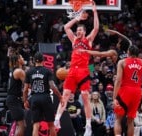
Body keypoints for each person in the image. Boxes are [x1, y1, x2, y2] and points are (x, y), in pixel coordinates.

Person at [54, 1, 99, 136]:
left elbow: (96, 28)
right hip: (73, 70)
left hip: (84, 71)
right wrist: (77, 18)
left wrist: (95, 12)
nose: (78, 31)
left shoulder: (88, 40)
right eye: (78, 30)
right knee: (65, 95)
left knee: (85, 97)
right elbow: (67, 27)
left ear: (85, 32)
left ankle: (89, 125)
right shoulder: (73, 40)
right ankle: (57, 119)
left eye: (80, 30)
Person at [113, 45, 142, 136]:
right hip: (137, 91)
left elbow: (118, 80)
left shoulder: (122, 62)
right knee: (130, 120)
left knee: (118, 118)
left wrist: (114, 97)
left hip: (125, 90)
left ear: (128, 52)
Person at [23, 52, 63, 136]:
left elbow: (25, 89)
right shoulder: (47, 71)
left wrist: (25, 100)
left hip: (34, 98)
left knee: (36, 125)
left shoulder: (29, 72)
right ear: (43, 60)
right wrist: (60, 97)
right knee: (51, 125)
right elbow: (52, 86)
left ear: (34, 61)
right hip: (45, 97)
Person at [6, 52, 26, 136]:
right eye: (22, 58)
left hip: (14, 99)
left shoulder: (16, 70)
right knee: (22, 126)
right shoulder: (19, 71)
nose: (23, 59)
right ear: (18, 60)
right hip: (14, 99)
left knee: (22, 125)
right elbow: (28, 85)